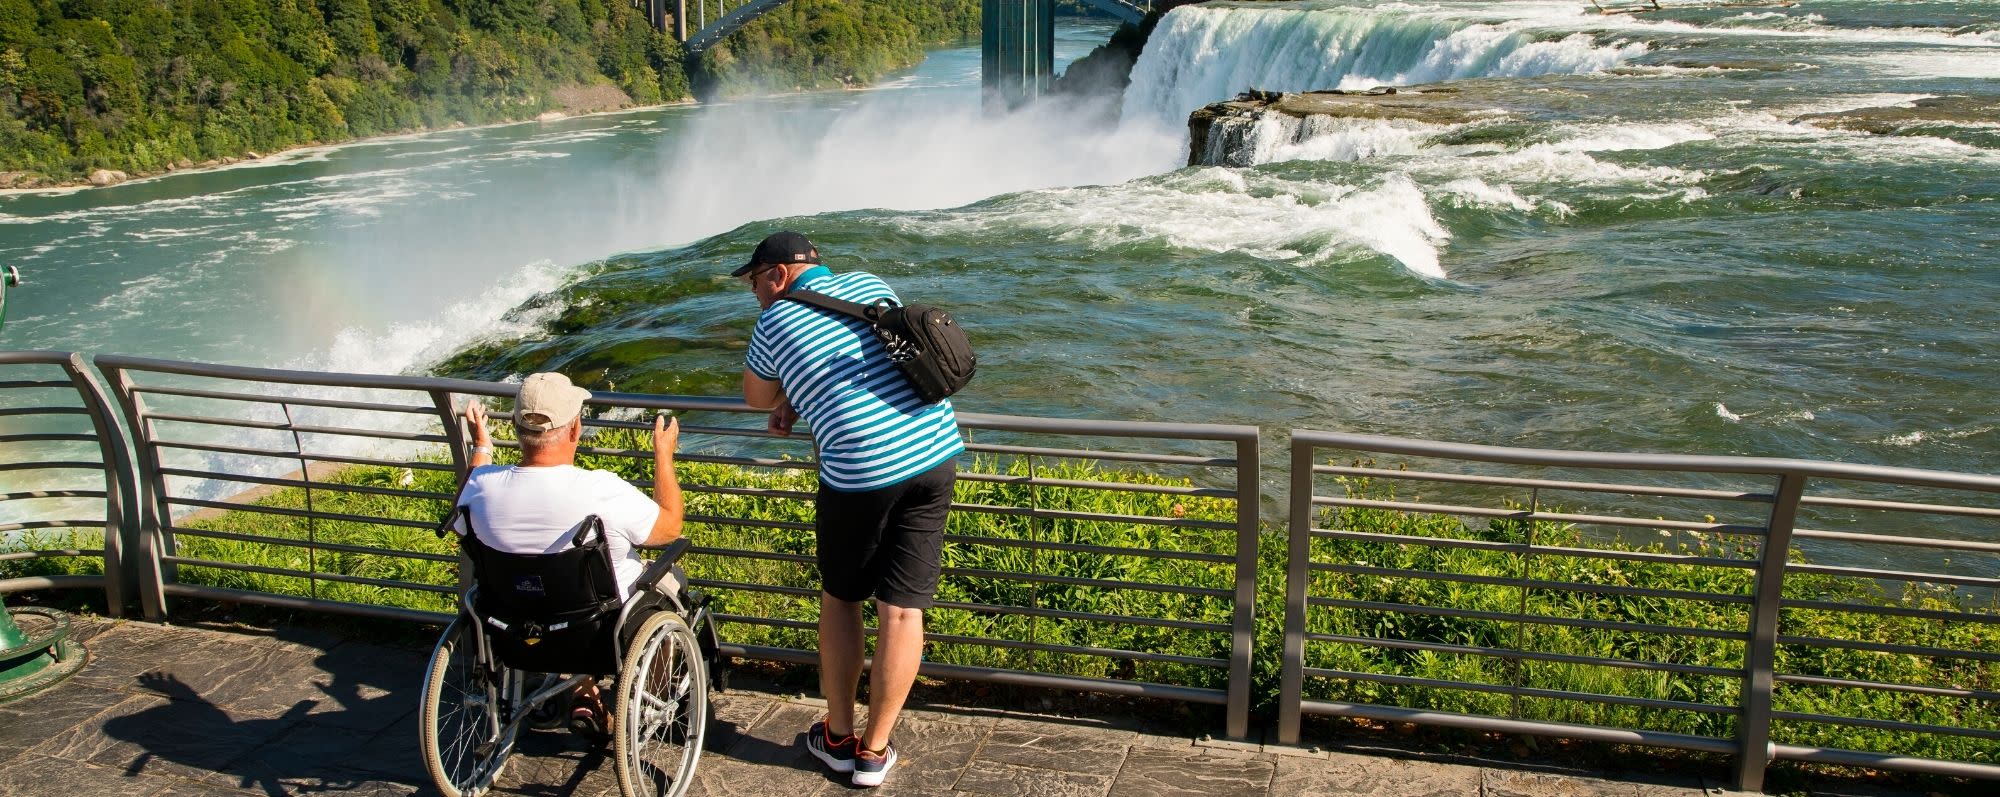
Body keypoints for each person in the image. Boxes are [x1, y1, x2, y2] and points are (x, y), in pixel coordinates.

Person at [737, 231, 964, 788]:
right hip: (934, 454)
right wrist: (799, 392)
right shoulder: (870, 284)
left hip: (861, 472)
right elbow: (863, 357)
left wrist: (786, 397)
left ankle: (838, 737)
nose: (754, 294)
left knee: (841, 600)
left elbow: (755, 398)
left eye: (755, 281)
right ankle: (874, 753)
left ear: (780, 274)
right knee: (904, 612)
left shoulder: (774, 322)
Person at [454, 372, 684, 735]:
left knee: (554, 595)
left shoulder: (481, 488)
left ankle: (581, 690)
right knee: (671, 582)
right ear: (575, 429)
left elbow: (468, 495)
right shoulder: (601, 489)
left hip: (516, 626)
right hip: (599, 632)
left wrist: (482, 446)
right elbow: (670, 528)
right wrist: (663, 455)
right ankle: (647, 701)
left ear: (515, 427)